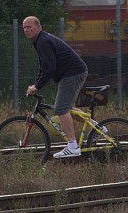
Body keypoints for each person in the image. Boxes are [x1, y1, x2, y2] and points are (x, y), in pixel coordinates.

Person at [22, 15, 89, 159]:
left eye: (29, 27)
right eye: (24, 28)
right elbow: (43, 66)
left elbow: (50, 68)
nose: (26, 30)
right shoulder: (39, 41)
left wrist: (37, 86)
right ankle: (97, 126)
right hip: (72, 72)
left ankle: (72, 146)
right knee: (66, 107)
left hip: (72, 73)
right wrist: (36, 83)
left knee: (60, 109)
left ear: (38, 27)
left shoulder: (43, 41)